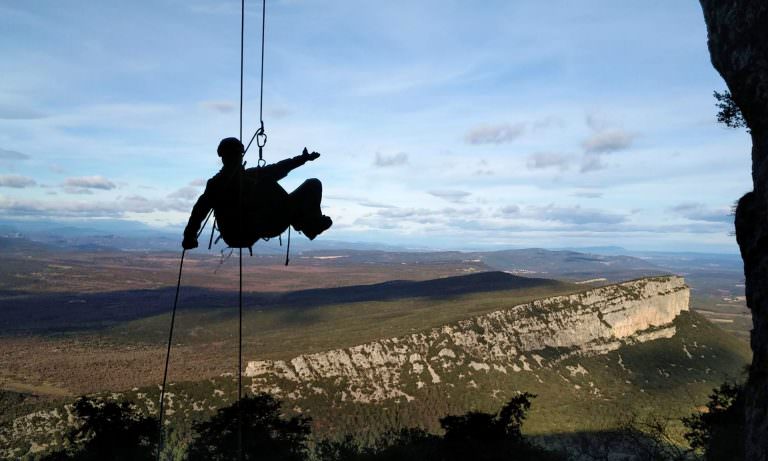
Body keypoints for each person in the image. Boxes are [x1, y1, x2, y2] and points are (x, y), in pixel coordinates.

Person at [182, 137, 332, 250]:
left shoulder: (241, 178)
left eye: (237, 155)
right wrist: (189, 235)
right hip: (242, 232)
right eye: (235, 155)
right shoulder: (218, 184)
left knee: (313, 184)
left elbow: (278, 168)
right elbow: (200, 210)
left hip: (257, 228)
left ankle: (311, 225)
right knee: (266, 180)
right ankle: (307, 224)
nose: (237, 158)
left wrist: (302, 159)